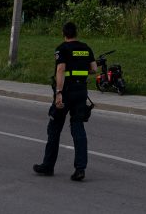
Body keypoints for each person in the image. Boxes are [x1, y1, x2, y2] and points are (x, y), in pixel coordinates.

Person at [34, 21, 96, 181]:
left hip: (66, 91)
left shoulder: (62, 48)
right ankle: (80, 169)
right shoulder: (85, 48)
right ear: (76, 33)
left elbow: (60, 69)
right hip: (81, 91)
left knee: (54, 128)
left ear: (64, 34)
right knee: (78, 128)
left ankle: (48, 166)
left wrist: (59, 93)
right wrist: (80, 70)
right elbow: (94, 68)